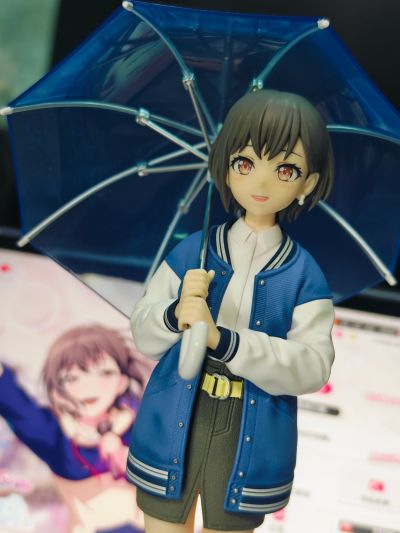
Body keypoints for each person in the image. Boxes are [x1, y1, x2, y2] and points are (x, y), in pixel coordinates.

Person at [127, 89, 336, 533]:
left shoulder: (303, 275)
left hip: (251, 430)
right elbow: (143, 332)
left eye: (285, 169)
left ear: (308, 183)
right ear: (224, 165)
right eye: (245, 163)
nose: (262, 183)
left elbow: (313, 366)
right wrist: (175, 314)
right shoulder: (193, 251)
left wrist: (225, 341)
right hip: (175, 415)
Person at [0, 324, 152, 533]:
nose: (88, 386)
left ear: (122, 381)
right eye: (71, 378)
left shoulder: (143, 425)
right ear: (57, 390)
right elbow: (18, 409)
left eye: (104, 373)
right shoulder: (57, 436)